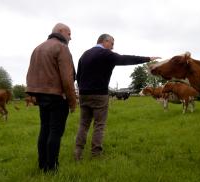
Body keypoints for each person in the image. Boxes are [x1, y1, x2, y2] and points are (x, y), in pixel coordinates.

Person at [74, 34, 160, 160]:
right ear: (105, 41)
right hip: (100, 95)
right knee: (99, 125)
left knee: (83, 124)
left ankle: (77, 153)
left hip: (84, 94)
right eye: (112, 44)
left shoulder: (84, 54)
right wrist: (148, 58)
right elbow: (125, 59)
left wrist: (83, 90)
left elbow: (78, 76)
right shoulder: (106, 54)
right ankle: (96, 154)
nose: (113, 47)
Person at [26, 23, 77, 172]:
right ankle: (52, 167)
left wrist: (32, 94)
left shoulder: (38, 48)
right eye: (69, 33)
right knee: (55, 132)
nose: (70, 37)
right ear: (61, 31)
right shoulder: (62, 48)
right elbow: (67, 79)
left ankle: (42, 165)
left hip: (41, 96)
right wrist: (72, 101)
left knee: (45, 130)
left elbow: (30, 73)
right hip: (57, 96)